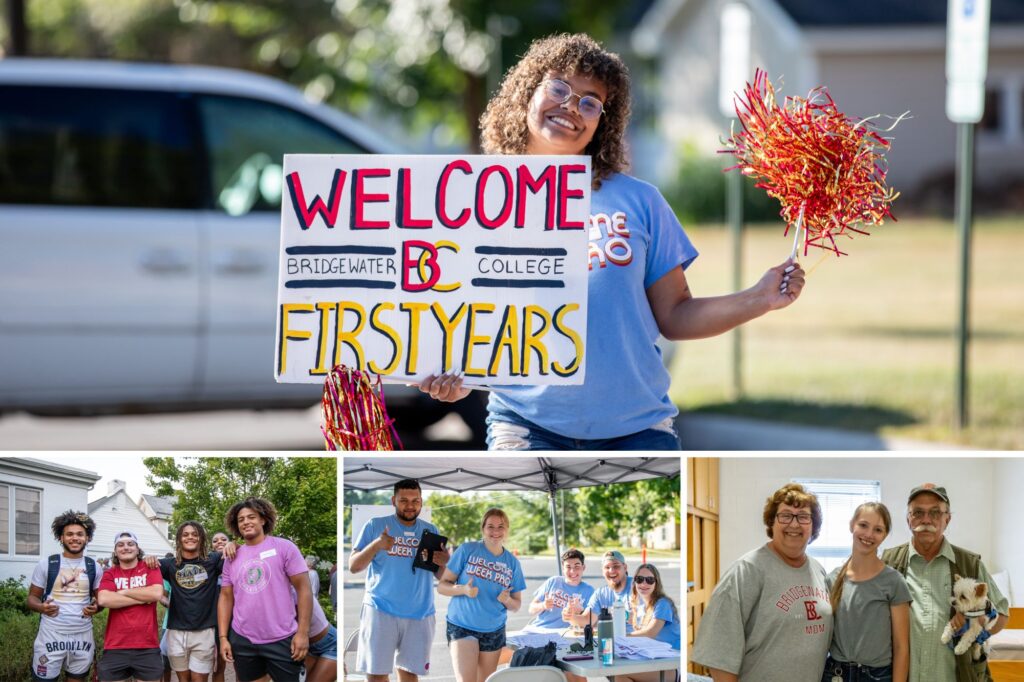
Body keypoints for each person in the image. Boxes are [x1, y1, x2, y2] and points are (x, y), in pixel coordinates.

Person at [417, 33, 806, 450]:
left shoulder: (639, 201)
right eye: (559, 88)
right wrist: (458, 380)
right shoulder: (477, 201)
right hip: (527, 429)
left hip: (639, 431)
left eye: (589, 102)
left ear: (603, 121)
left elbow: (675, 316)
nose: (571, 106)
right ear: (527, 92)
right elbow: (459, 322)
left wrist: (760, 297)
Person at [691, 483, 832, 682]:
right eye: (785, 515)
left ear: (813, 526)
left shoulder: (819, 571)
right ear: (771, 522)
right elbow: (719, 655)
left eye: (803, 516)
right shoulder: (746, 571)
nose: (794, 524)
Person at [881, 484, 1009, 682]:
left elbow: (1001, 614)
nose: (926, 520)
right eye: (918, 512)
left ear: (947, 519)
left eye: (935, 513)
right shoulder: (889, 562)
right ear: (908, 519)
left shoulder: (970, 564)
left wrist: (978, 625)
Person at [349, 478, 450, 682]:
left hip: (420, 612)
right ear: (393, 500)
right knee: (377, 674)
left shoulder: (430, 530)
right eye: (404, 500)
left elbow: (440, 576)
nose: (410, 506)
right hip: (380, 609)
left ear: (421, 502)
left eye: (416, 501)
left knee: (409, 673)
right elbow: (354, 566)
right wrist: (377, 544)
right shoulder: (375, 525)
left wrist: (444, 562)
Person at [217, 497, 313, 682]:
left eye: (251, 517)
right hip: (243, 638)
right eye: (241, 519)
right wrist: (223, 638)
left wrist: (302, 633)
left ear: (263, 519)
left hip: (282, 637)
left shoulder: (284, 547)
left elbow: (304, 590)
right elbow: (225, 597)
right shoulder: (232, 557)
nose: (246, 522)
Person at [823, 502, 910, 682]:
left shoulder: (894, 582)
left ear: (884, 535)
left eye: (878, 530)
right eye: (863, 525)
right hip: (836, 673)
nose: (869, 534)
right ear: (851, 525)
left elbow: (901, 647)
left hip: (876, 676)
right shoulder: (832, 580)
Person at [438, 508, 526, 682]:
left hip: (493, 630)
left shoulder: (512, 563)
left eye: (500, 526)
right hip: (462, 625)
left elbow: (516, 605)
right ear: (483, 528)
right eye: (490, 526)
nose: (495, 531)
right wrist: (463, 589)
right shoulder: (467, 550)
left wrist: (507, 599)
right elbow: (442, 586)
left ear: (507, 529)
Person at [27, 510, 103, 682]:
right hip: (51, 634)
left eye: (79, 534)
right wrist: (41, 607)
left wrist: (96, 608)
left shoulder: (95, 567)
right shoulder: (46, 563)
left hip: (82, 635)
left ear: (87, 538)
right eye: (69, 534)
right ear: (61, 537)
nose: (74, 538)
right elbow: (32, 598)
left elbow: (101, 601)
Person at [145, 521, 224, 682]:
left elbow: (241, 555)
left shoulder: (213, 560)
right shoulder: (169, 565)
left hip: (204, 630)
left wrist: (234, 546)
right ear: (179, 539)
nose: (190, 537)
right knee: (183, 679)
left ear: (201, 538)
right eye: (185, 534)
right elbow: (138, 571)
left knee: (198, 679)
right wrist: (148, 559)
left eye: (195, 534)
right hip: (176, 632)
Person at [96, 531, 166, 682]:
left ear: (137, 549)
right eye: (120, 545)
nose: (125, 547)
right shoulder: (110, 573)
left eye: (130, 544)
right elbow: (103, 599)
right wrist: (141, 598)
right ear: (115, 551)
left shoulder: (150, 567)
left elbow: (155, 594)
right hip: (115, 646)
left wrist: (124, 592)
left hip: (147, 646)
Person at [620, 563, 681, 682]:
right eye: (639, 579)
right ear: (634, 582)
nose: (644, 584)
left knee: (619, 674)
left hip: (672, 663)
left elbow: (650, 633)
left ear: (656, 583)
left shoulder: (662, 604)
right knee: (615, 671)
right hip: (653, 658)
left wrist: (621, 636)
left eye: (649, 580)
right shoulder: (639, 606)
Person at [526, 548, 595, 630]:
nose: (572, 571)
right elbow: (531, 609)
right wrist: (543, 605)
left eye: (577, 566)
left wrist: (580, 611)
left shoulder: (589, 591)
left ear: (583, 568)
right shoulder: (553, 581)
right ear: (563, 568)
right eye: (568, 567)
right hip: (539, 628)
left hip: (565, 635)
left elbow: (592, 622)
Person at [564, 550, 632, 629]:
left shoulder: (638, 586)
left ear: (625, 567)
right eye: (607, 567)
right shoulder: (601, 593)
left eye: (616, 566)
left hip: (638, 639)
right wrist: (570, 617)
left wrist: (625, 615)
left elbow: (645, 619)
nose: (611, 570)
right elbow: (587, 620)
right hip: (612, 639)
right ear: (602, 571)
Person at [209, 532, 232, 682]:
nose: (219, 542)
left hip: (236, 620)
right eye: (215, 540)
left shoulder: (237, 560)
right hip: (214, 621)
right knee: (218, 664)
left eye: (224, 539)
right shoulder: (207, 564)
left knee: (240, 665)